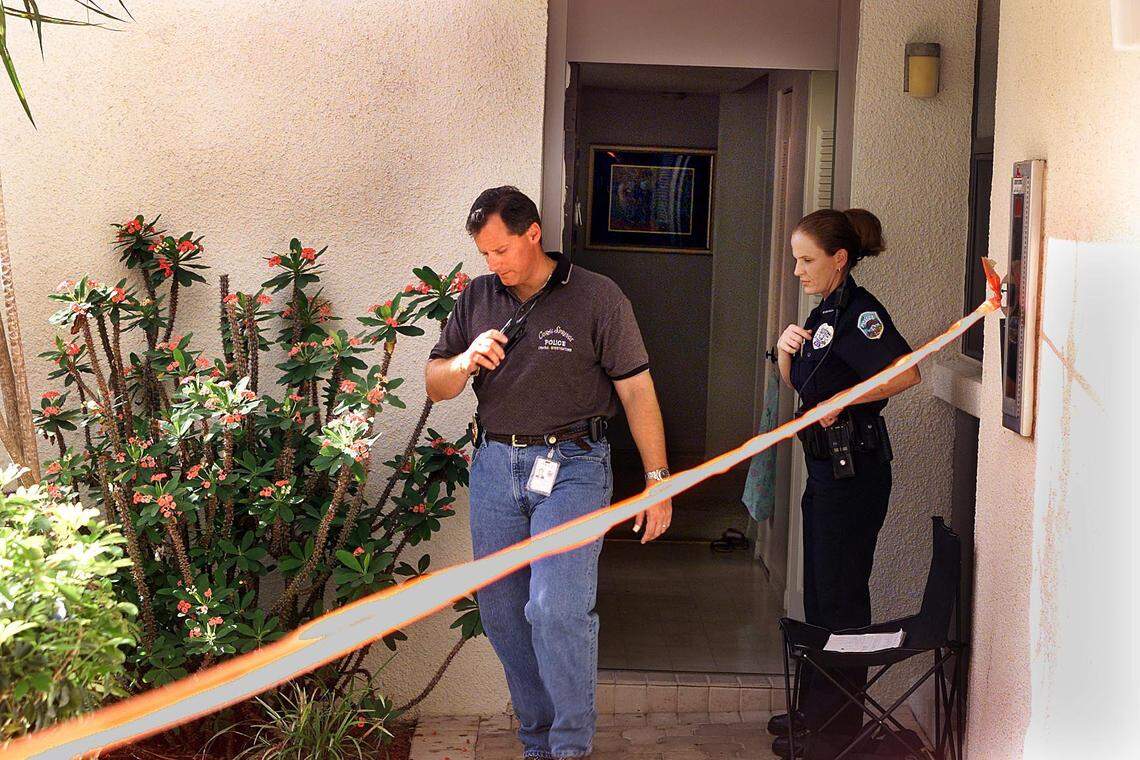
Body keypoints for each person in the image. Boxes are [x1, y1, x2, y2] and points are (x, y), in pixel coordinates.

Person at [425, 186, 672, 760]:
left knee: (557, 607)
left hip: (574, 467)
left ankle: (568, 747)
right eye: (484, 254)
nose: (494, 265)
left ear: (533, 233)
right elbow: (436, 382)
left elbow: (636, 389)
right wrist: (463, 361)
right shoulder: (478, 297)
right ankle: (537, 740)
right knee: (503, 612)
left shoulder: (597, 297)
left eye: (502, 250)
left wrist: (659, 481)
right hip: (494, 468)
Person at [769, 209, 921, 759]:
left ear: (839, 258)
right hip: (826, 471)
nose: (798, 271)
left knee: (841, 598)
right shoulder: (826, 311)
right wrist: (786, 356)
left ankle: (839, 727)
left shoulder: (862, 314)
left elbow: (905, 373)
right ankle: (817, 714)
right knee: (819, 594)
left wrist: (844, 401)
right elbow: (808, 392)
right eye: (795, 260)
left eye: (807, 260)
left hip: (854, 473)